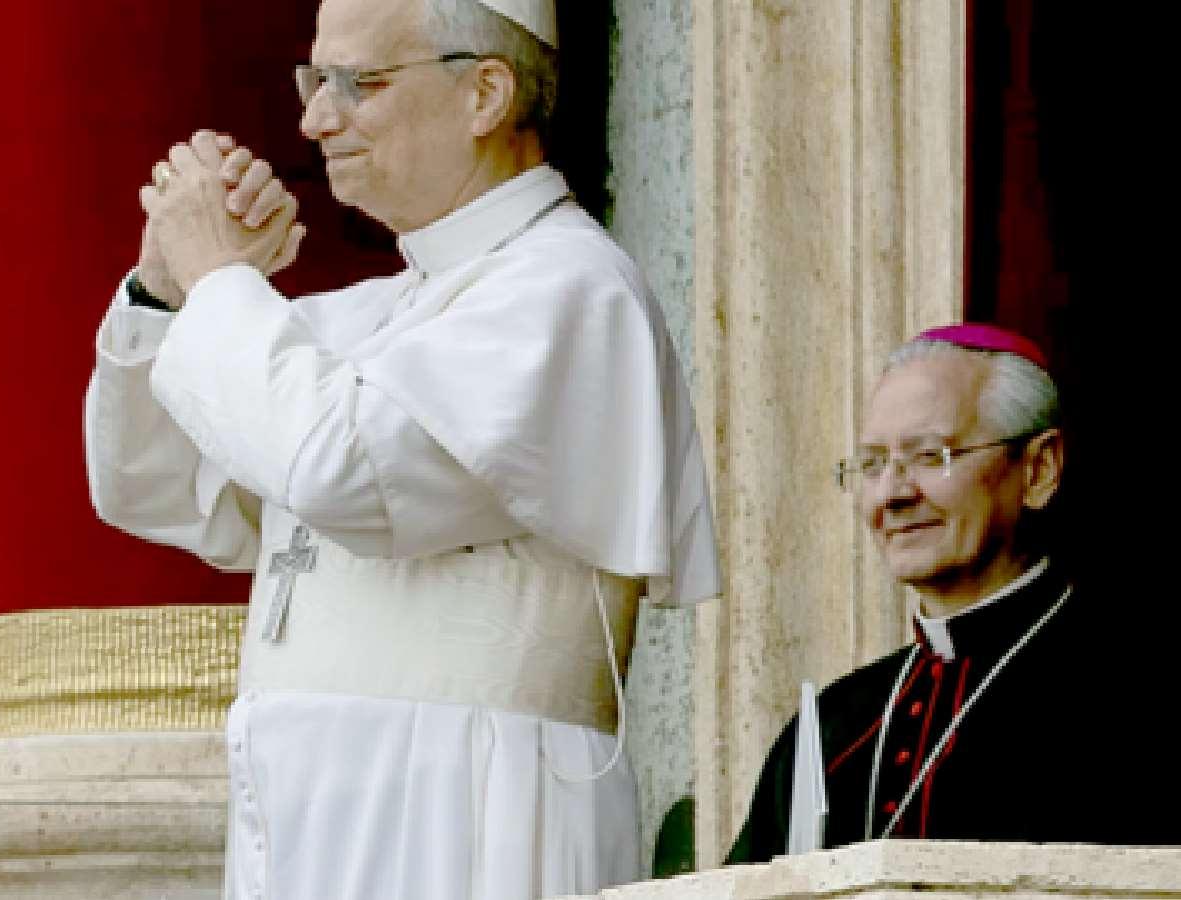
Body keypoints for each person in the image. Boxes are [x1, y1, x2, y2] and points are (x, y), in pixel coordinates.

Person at [83, 0, 721, 897]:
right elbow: (145, 485)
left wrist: (219, 279)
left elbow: (341, 470)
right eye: (315, 81)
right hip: (313, 807)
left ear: (485, 93)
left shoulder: (568, 286)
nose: (315, 119)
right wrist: (165, 288)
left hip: (466, 805)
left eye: (360, 83)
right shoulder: (370, 312)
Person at [725, 324, 1163, 863]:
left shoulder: (1134, 700)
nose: (892, 494)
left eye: (931, 456)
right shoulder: (831, 729)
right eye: (871, 465)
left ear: (1038, 470)